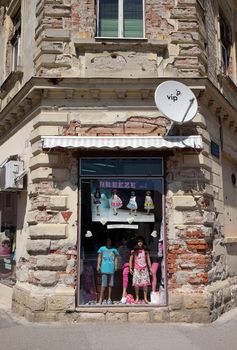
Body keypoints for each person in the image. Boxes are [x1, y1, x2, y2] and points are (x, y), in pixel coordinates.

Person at [129, 236, 152, 304]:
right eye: (139, 242)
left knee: (145, 284)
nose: (140, 243)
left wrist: (150, 268)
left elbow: (148, 260)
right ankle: (137, 298)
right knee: (136, 284)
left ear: (143, 242)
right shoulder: (134, 251)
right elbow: (130, 259)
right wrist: (130, 268)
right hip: (136, 269)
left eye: (141, 241)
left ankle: (145, 298)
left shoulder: (145, 251)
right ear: (137, 243)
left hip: (144, 269)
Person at [97, 238, 119, 304]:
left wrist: (115, 266)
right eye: (107, 241)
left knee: (110, 284)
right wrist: (98, 265)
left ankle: (109, 298)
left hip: (111, 268)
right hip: (104, 268)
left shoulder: (114, 249)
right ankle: (101, 298)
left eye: (110, 241)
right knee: (103, 284)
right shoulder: (102, 248)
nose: (109, 242)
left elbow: (116, 258)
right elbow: (99, 257)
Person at [118, 237, 131, 303]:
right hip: (121, 265)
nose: (124, 241)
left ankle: (123, 295)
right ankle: (124, 294)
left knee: (125, 276)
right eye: (123, 240)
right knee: (121, 279)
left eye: (125, 240)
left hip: (128, 264)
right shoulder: (120, 248)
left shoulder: (130, 247)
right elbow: (119, 256)